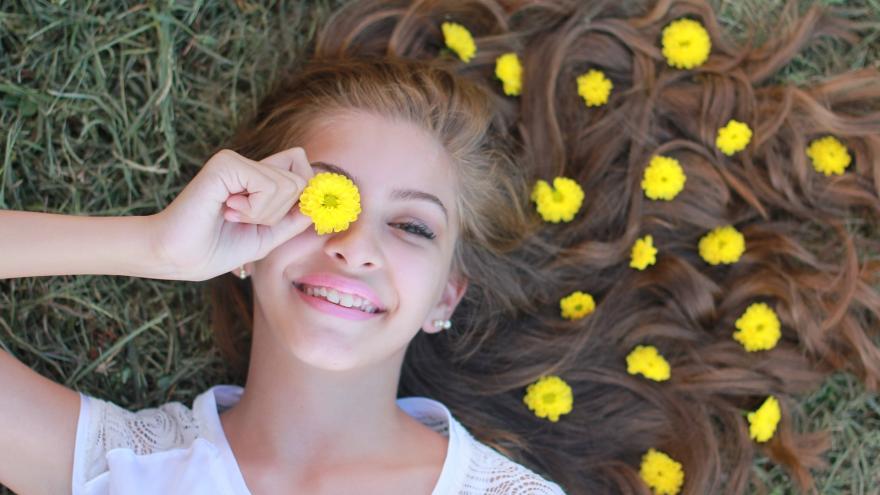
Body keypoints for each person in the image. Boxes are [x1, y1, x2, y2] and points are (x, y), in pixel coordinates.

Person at [2, 0, 880, 494]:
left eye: (413, 224)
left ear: (447, 297)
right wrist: (156, 245)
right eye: (322, 201)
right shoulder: (126, 462)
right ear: (245, 236)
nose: (353, 244)